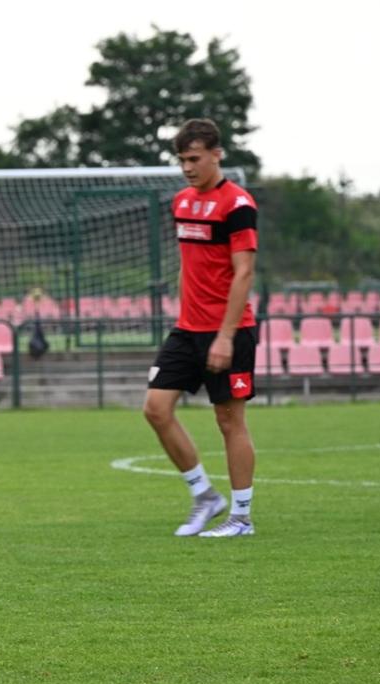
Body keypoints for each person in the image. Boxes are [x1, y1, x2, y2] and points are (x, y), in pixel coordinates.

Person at [143, 118, 259, 539]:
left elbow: (243, 273)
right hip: (187, 329)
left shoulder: (238, 204)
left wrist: (225, 337)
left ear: (216, 154)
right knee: (156, 408)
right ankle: (205, 496)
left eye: (194, 159)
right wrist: (184, 316)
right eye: (182, 160)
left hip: (230, 330)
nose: (188, 167)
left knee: (229, 421)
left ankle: (241, 518)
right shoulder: (181, 202)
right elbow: (188, 266)